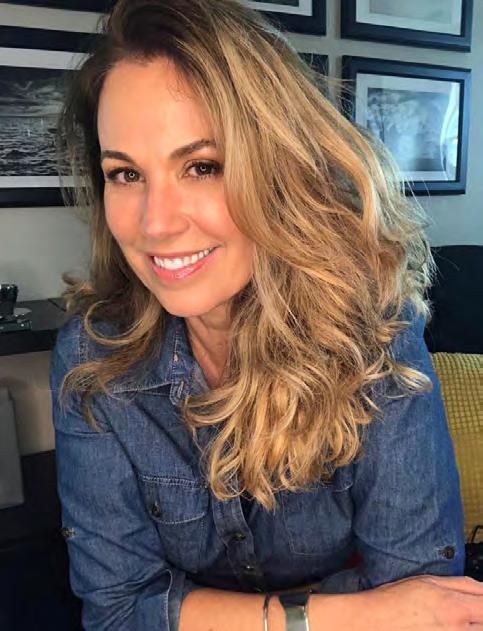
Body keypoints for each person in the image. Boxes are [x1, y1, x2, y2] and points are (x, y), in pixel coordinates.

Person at [50, 0, 483, 629]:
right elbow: (117, 611)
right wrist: (336, 613)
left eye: (202, 166)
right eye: (125, 174)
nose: (155, 223)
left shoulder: (374, 334)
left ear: (282, 171)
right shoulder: (93, 360)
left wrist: (189, 609)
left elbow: (423, 601)